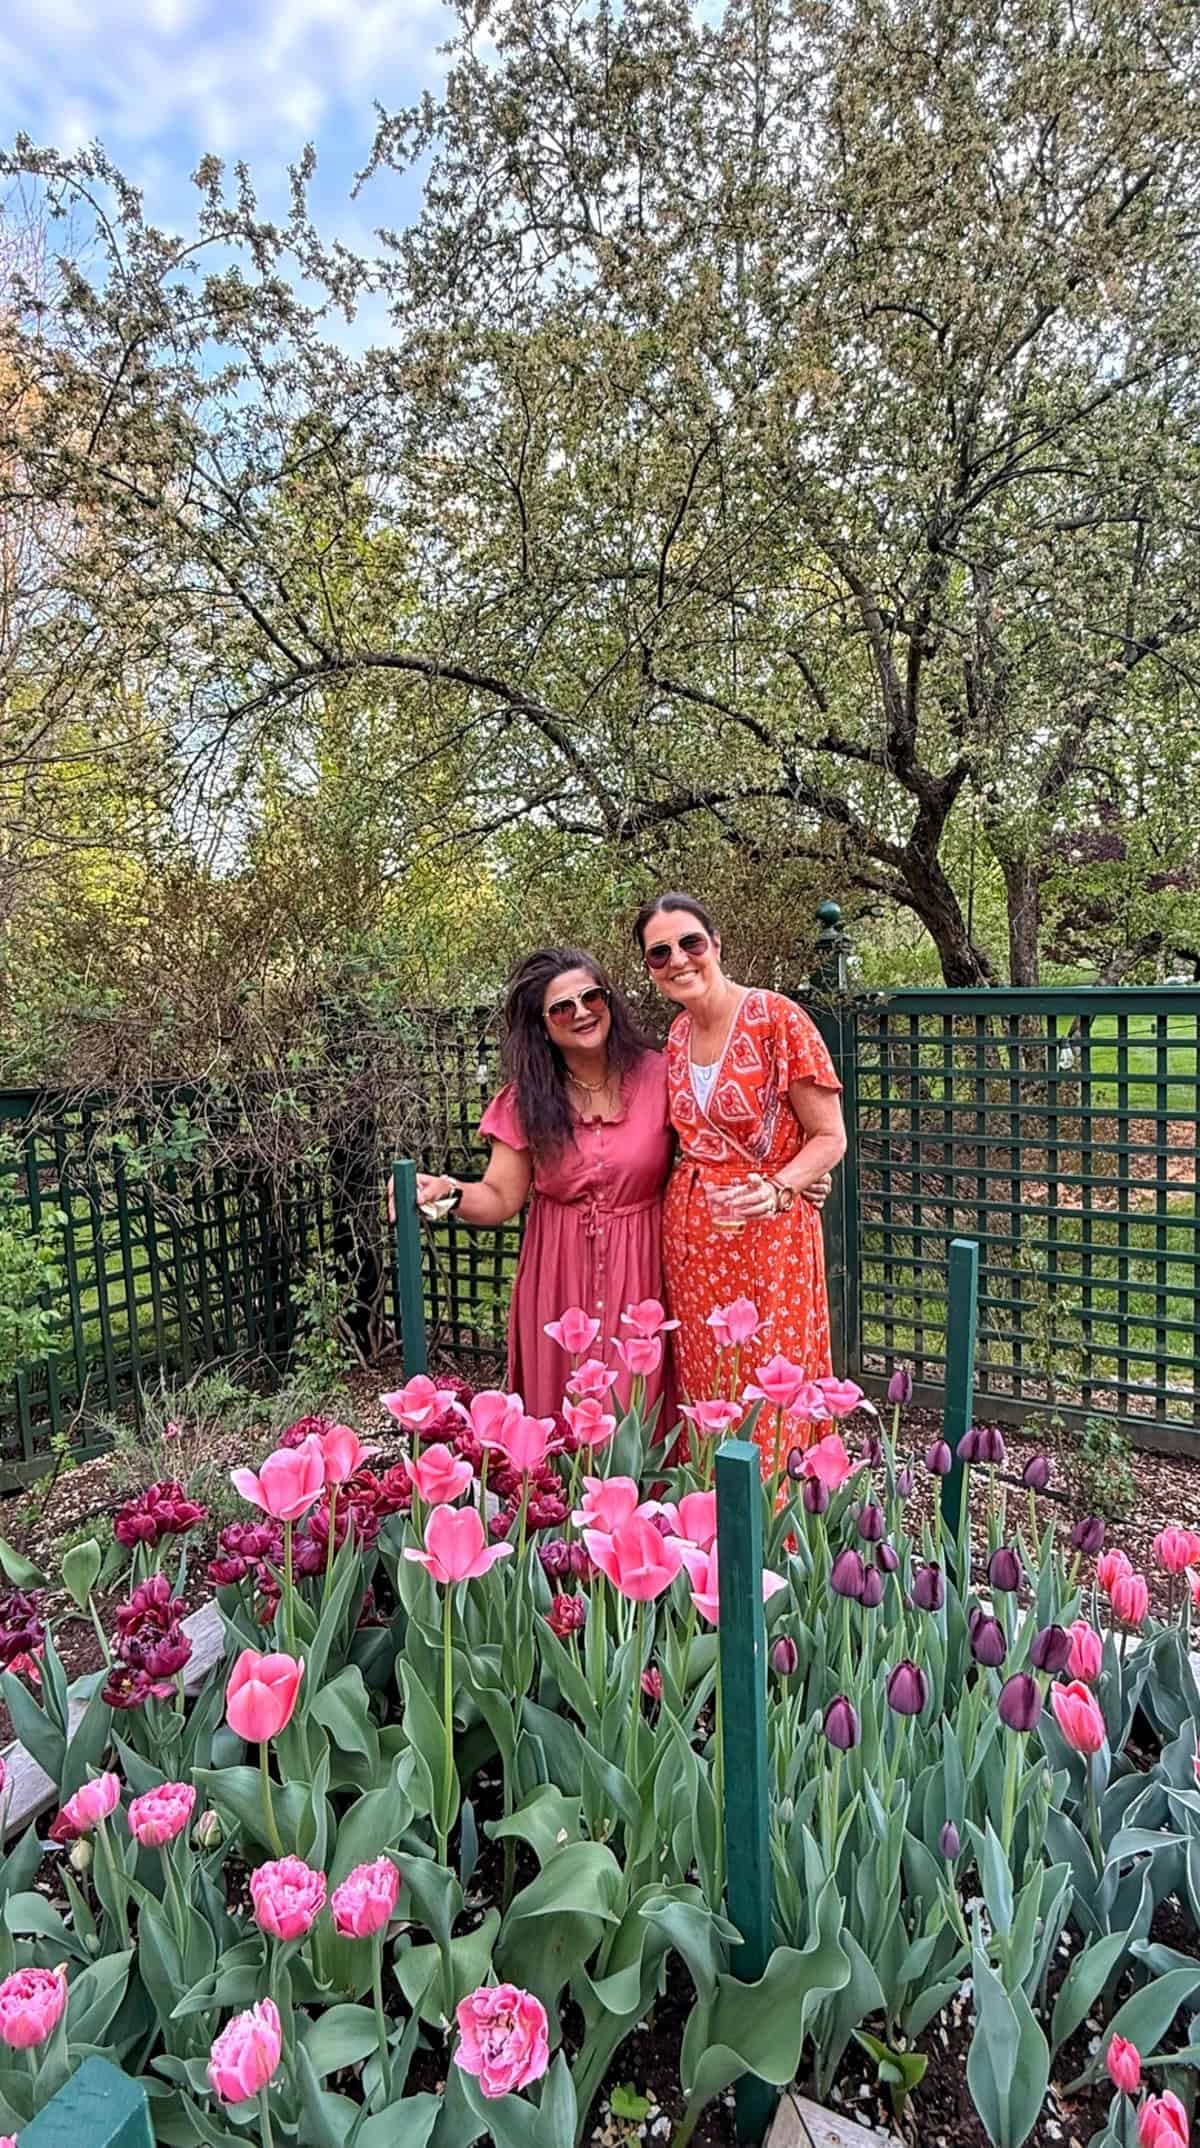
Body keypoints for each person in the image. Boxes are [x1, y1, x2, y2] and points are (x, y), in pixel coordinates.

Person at [412, 948, 676, 1422]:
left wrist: (799, 1174)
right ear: (542, 1024)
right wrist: (445, 1192)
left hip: (643, 1272)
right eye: (562, 1007)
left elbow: (717, 1146)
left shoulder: (662, 1076)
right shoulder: (525, 1101)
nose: (582, 1012)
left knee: (640, 1416)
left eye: (591, 996)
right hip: (558, 1278)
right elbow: (500, 1197)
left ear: (609, 1000)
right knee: (562, 1418)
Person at [633, 892, 846, 1474]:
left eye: (690, 943)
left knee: (772, 1379)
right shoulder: (676, 1038)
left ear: (716, 945)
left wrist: (784, 1185)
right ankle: (713, 1526)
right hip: (693, 1242)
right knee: (709, 1381)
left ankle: (781, 1535)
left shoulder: (779, 1020)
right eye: (659, 953)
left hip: (770, 1235)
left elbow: (829, 1138)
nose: (678, 959)